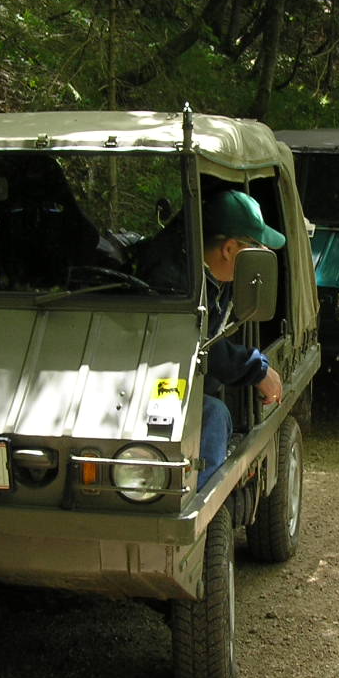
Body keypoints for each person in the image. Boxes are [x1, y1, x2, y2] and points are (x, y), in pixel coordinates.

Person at [139, 188, 285, 485]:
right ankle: (202, 506)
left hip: (167, 382)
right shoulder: (171, 282)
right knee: (214, 415)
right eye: (255, 247)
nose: (261, 255)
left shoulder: (215, 276)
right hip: (147, 386)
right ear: (229, 249)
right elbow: (195, 345)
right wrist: (257, 369)